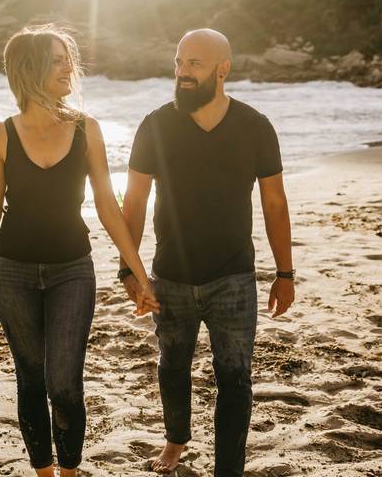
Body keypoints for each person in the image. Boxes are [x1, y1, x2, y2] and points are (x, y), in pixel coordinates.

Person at [0, 24, 159, 477]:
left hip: (72, 270)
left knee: (64, 382)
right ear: (31, 70)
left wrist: (138, 274)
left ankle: (68, 472)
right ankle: (44, 473)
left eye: (69, 58)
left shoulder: (87, 129)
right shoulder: (0, 135)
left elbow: (108, 206)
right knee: (30, 377)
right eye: (58, 59)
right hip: (11, 276)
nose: (70, 67)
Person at [118, 28, 296, 477]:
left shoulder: (255, 126)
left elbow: (274, 202)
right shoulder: (156, 124)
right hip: (170, 274)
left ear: (223, 69)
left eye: (194, 64)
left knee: (235, 378)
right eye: (178, 62)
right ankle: (176, 439)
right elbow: (133, 200)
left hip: (233, 277)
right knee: (172, 365)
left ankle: (228, 471)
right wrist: (129, 268)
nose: (182, 72)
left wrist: (285, 273)